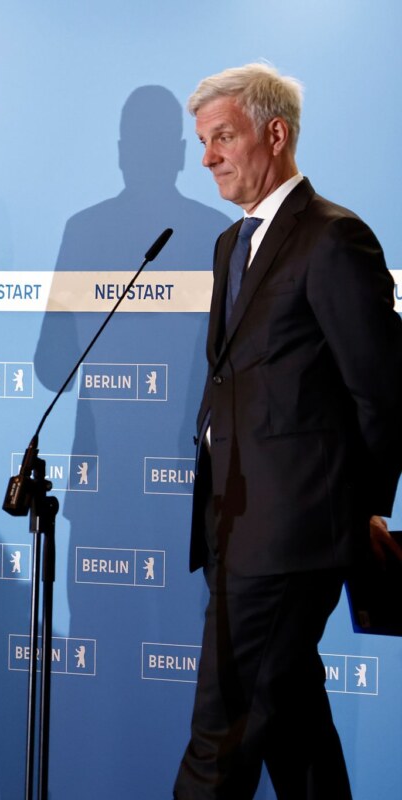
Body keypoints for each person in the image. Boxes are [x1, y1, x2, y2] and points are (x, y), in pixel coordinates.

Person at [175, 64, 402, 799]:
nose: (207, 156)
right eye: (202, 141)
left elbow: (382, 388)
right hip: (231, 526)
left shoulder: (334, 239)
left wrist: (358, 511)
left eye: (223, 137)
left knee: (221, 739)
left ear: (274, 134)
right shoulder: (229, 245)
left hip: (292, 536)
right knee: (296, 731)